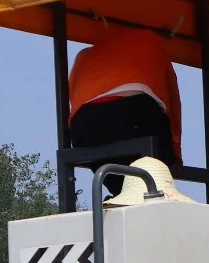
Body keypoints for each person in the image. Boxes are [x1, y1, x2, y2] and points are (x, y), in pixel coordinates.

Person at [68, 30, 183, 196]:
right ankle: (146, 193)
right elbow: (173, 103)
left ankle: (120, 195)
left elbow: (72, 101)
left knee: (108, 166)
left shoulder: (84, 55)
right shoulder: (150, 40)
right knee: (159, 163)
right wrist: (175, 154)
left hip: (84, 129)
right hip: (132, 115)